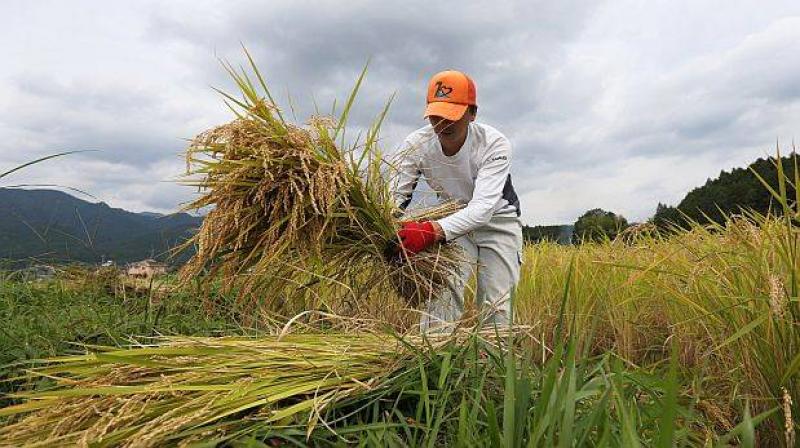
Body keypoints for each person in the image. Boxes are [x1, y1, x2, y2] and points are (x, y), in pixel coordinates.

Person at [392, 70, 523, 330]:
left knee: (497, 305)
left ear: (472, 113)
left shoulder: (493, 144)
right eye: (436, 115)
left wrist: (431, 231)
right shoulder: (416, 144)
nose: (442, 123)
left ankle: (494, 366)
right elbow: (396, 197)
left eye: (452, 115)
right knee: (441, 294)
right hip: (452, 219)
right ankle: (431, 361)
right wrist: (389, 229)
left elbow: (482, 209)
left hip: (498, 221)